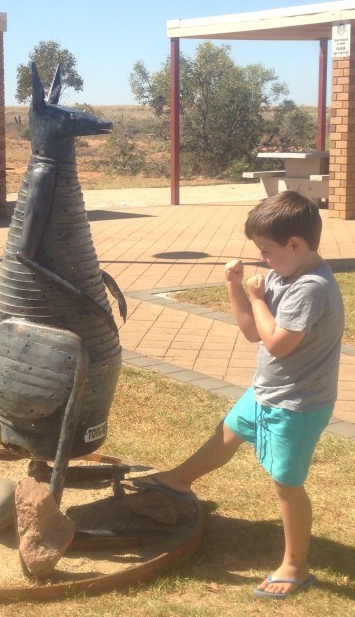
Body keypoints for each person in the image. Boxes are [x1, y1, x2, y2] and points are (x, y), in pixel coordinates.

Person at [131, 191, 344, 600]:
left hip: (296, 406)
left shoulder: (311, 288)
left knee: (287, 484)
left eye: (267, 251)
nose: (263, 259)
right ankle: (178, 480)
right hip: (267, 392)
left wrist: (257, 297)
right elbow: (252, 332)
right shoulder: (284, 275)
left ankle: (296, 565)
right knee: (227, 433)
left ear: (295, 244)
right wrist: (234, 286)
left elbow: (278, 344)